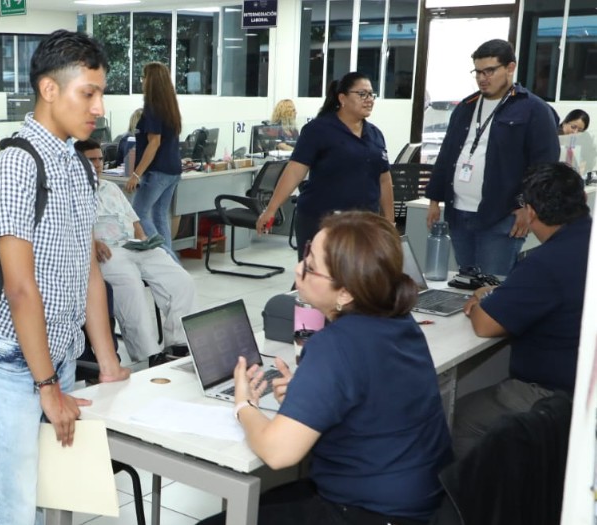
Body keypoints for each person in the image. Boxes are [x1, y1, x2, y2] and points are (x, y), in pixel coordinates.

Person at [0, 30, 130, 524]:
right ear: (49, 89)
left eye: (101, 94)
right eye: (89, 93)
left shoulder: (79, 167)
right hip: (15, 361)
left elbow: (89, 275)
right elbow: (19, 287)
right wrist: (46, 388)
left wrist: (107, 362)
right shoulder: (18, 163)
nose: (99, 107)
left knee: (47, 492)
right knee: (11, 505)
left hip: (57, 354)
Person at [200, 211, 452, 525]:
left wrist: (244, 405)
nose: (298, 268)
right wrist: (308, 392)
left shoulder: (335, 345)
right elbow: (371, 395)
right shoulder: (400, 323)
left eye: (310, 267)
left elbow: (278, 453)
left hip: (370, 513)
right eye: (306, 255)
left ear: (345, 293)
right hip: (422, 503)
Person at [453, 162, 589, 457]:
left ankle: (473, 502)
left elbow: (485, 325)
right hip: (583, 385)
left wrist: (479, 301)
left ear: (531, 212)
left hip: (556, 395)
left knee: (459, 415)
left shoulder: (546, 261)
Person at [425, 39, 560, 277]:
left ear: (510, 68)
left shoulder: (533, 109)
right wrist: (435, 201)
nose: (482, 78)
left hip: (502, 215)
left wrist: (525, 206)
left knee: (492, 288)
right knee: (465, 284)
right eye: (477, 72)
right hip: (458, 213)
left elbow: (544, 167)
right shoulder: (466, 106)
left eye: (490, 71)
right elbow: (447, 155)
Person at [76, 139, 195, 364]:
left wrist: (144, 240)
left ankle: (178, 344)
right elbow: (70, 228)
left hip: (133, 244)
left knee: (182, 280)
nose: (98, 164)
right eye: (91, 160)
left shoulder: (110, 187)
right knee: (131, 287)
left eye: (100, 159)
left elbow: (134, 220)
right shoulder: (70, 192)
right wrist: (92, 243)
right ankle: (148, 355)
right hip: (107, 251)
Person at [255, 72, 394, 260]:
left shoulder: (375, 134)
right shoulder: (318, 130)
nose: (369, 100)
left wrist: (389, 222)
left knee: (357, 279)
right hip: (321, 220)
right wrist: (271, 209)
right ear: (342, 98)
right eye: (362, 94)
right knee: (317, 278)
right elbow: (294, 171)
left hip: (363, 222)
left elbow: (384, 180)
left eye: (371, 95)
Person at [126, 62, 183, 261]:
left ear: (150, 81)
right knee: (159, 215)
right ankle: (172, 264)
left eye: (143, 77)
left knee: (139, 213)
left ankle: (170, 260)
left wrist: (136, 174)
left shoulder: (152, 108)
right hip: (173, 170)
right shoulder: (170, 106)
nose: (142, 81)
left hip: (157, 171)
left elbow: (154, 143)